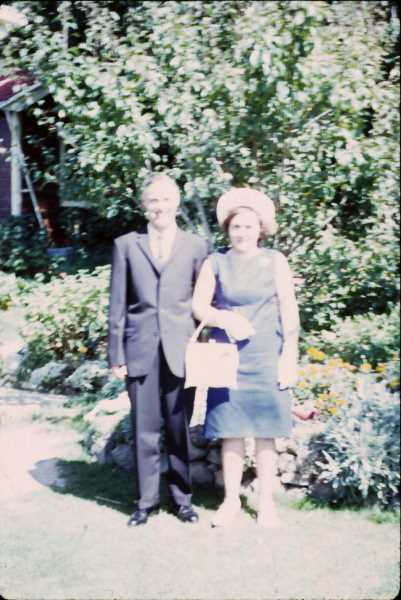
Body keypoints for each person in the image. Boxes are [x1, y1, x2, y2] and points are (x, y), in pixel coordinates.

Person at [192, 187, 300, 528]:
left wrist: (289, 354)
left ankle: (266, 503)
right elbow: (199, 306)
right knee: (231, 430)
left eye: (248, 226)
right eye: (236, 226)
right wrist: (224, 319)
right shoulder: (215, 262)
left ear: (260, 229)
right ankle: (230, 501)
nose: (242, 232)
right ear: (228, 229)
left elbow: (288, 308)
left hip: (266, 353)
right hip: (227, 356)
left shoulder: (275, 260)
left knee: (266, 431)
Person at [108, 173, 208, 526]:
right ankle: (146, 502)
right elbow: (117, 305)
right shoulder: (126, 245)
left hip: (182, 351)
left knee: (179, 427)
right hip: (139, 350)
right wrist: (116, 355)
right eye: (153, 200)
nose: (160, 206)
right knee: (144, 429)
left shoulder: (196, 246)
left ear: (176, 202)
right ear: (143, 205)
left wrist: (204, 350)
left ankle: (183, 500)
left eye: (165, 199)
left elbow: (204, 302)